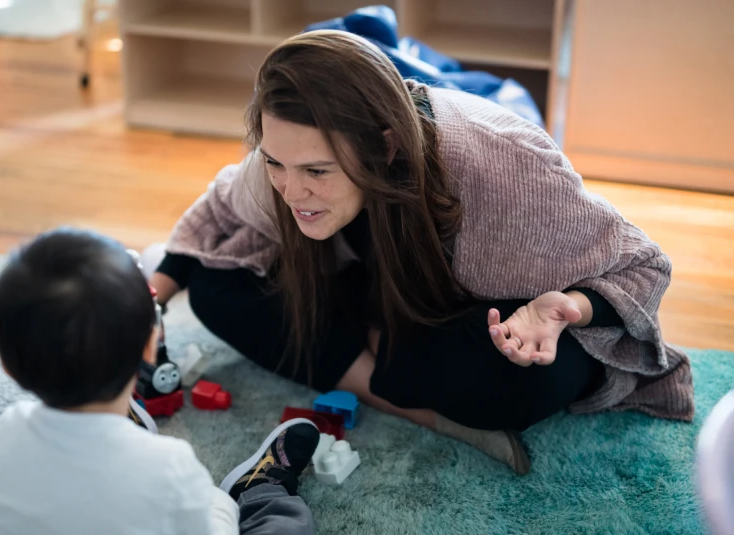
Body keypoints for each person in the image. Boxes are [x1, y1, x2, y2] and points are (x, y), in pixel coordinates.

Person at [150, 30, 694, 474]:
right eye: (274, 164)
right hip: (385, 308)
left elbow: (640, 265)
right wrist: (150, 300)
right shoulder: (284, 156)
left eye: (317, 172)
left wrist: (566, 308)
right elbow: (217, 214)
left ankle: (382, 366)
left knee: (530, 379)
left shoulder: (502, 163)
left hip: (483, 316)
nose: (291, 192)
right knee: (215, 287)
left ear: (384, 146)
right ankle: (416, 404)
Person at [0, 228, 320, 535]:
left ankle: (120, 425)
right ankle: (263, 492)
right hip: (185, 500)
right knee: (284, 523)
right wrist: (217, 505)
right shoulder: (169, 467)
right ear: (150, 347)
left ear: (6, 367)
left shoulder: (7, 431)